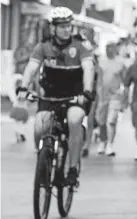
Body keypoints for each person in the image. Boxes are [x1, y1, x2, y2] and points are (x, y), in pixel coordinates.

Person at [16, 7, 95, 186]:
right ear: (53, 28)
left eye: (69, 26)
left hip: (77, 95)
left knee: (74, 120)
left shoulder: (80, 45)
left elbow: (89, 69)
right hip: (51, 95)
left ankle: (73, 169)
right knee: (39, 127)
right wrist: (23, 87)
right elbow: (31, 68)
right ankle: (43, 159)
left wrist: (87, 91)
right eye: (62, 26)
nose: (67, 29)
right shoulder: (43, 46)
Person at [96, 41, 127, 156]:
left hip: (115, 95)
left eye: (111, 47)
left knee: (111, 121)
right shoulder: (101, 61)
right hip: (103, 95)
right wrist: (99, 94)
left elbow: (125, 80)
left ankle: (110, 144)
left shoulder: (120, 63)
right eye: (107, 47)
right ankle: (102, 141)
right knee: (101, 121)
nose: (108, 50)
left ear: (114, 49)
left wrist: (124, 97)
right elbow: (99, 79)